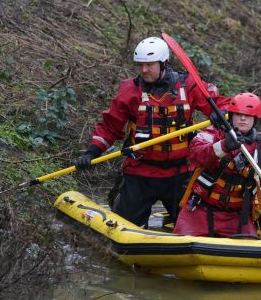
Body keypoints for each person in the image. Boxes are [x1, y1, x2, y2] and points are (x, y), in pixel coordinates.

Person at [75, 36, 230, 227]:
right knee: (127, 223)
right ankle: (122, 203)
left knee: (196, 225)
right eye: (140, 65)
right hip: (141, 171)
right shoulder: (129, 91)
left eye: (149, 65)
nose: (143, 70)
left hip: (181, 172)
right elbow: (110, 126)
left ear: (163, 63)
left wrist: (221, 113)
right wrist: (93, 151)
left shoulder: (188, 85)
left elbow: (221, 103)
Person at [173, 92, 261, 237]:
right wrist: (223, 146)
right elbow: (196, 154)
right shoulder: (213, 134)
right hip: (200, 210)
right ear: (231, 116)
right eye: (238, 114)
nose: (243, 118)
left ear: (255, 119)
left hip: (237, 216)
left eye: (248, 115)